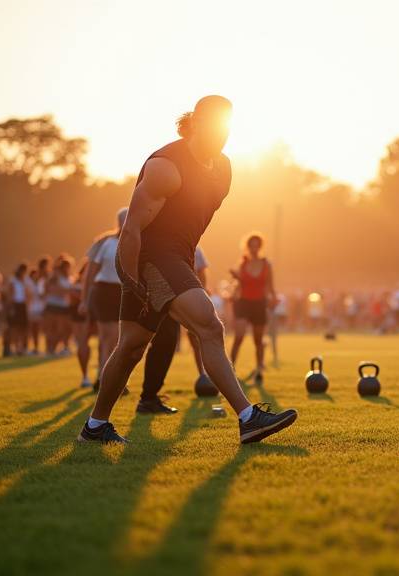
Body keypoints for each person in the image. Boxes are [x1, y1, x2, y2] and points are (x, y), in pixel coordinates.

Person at [79, 95, 297, 444]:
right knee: (209, 325)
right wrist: (132, 280)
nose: (220, 135)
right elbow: (132, 229)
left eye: (226, 127)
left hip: (178, 258)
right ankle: (247, 417)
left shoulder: (223, 169)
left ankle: (94, 427)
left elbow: (190, 225)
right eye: (212, 126)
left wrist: (185, 268)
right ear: (195, 123)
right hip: (151, 259)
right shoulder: (166, 167)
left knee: (132, 347)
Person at [133, 245, 211, 414]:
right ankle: (147, 398)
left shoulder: (193, 248)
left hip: (176, 299)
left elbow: (201, 274)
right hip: (161, 296)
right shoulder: (163, 243)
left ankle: (149, 397)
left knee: (166, 343)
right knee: (141, 346)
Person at [80, 208, 127, 391]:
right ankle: (104, 378)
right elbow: (90, 273)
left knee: (118, 339)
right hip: (105, 292)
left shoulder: (139, 241)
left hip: (124, 292)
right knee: (108, 336)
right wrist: (84, 300)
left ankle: (111, 378)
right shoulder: (107, 243)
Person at [229, 233, 275, 385]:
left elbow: (270, 285)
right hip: (243, 302)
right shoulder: (243, 263)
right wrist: (235, 282)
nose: (254, 248)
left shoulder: (266, 264)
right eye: (251, 245)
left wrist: (273, 299)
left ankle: (259, 370)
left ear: (260, 247)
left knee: (258, 340)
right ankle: (230, 370)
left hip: (259, 303)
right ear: (248, 247)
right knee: (239, 336)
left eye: (257, 245)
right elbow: (238, 285)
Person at [70, 260, 94, 387]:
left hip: (94, 313)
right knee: (83, 345)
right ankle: (85, 376)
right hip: (81, 316)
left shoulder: (97, 283)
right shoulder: (76, 285)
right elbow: (71, 299)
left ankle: (99, 375)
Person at [44, 254, 73, 356]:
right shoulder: (55, 276)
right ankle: (49, 350)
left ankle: (55, 348)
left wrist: (66, 291)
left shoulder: (69, 278)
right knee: (51, 329)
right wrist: (67, 291)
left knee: (61, 330)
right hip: (53, 305)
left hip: (63, 307)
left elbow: (65, 291)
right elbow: (52, 289)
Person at [5, 262, 30, 355]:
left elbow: (27, 294)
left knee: (23, 328)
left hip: (22, 305)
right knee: (15, 327)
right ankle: (15, 347)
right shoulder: (13, 281)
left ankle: (22, 347)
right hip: (15, 305)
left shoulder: (24, 280)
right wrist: (10, 307)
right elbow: (10, 295)